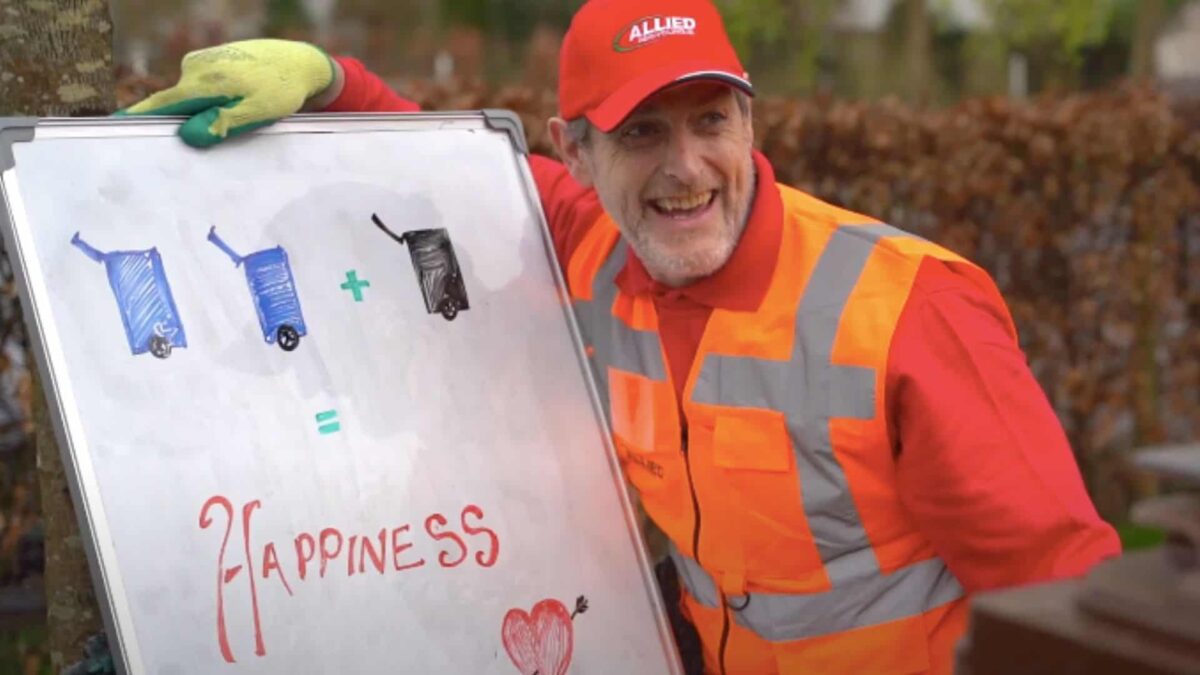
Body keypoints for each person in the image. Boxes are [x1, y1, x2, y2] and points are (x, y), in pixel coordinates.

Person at [124, 1, 1121, 672]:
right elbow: (449, 170)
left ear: (750, 124)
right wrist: (329, 78)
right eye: (643, 133)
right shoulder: (596, 243)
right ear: (577, 150)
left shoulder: (909, 311)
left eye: (711, 122)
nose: (686, 169)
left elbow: (1058, 593)